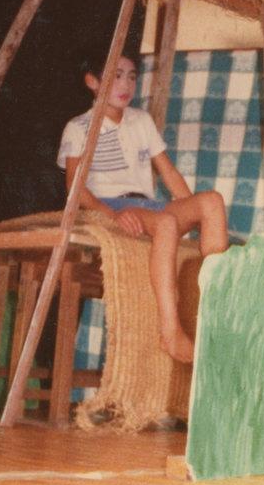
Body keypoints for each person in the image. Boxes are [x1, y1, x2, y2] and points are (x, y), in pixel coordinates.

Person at [57, 53, 228, 363]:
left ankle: (217, 315)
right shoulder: (78, 127)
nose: (125, 84)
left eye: (132, 77)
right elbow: (75, 187)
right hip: (110, 205)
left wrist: (193, 213)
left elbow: (169, 173)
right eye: (116, 75)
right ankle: (171, 333)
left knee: (212, 202)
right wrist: (112, 215)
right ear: (92, 81)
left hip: (149, 206)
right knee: (166, 224)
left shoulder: (141, 121)